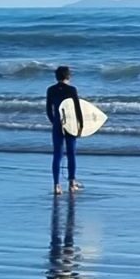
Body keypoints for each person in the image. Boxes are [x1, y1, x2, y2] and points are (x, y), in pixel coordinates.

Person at [47, 65, 83, 194]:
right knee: (71, 154)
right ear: (68, 76)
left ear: (56, 77)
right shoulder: (72, 89)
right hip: (70, 124)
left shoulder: (50, 90)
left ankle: (56, 185)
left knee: (57, 154)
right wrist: (81, 126)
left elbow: (48, 110)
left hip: (57, 124)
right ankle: (72, 183)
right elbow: (78, 110)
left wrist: (55, 122)